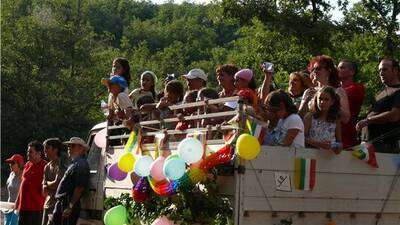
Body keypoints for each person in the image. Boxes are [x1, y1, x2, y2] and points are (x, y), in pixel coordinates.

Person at [356, 58, 400, 153]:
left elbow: (394, 115)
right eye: (379, 70)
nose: (381, 73)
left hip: (386, 146)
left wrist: (368, 120)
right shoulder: (380, 93)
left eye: (385, 69)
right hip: (367, 145)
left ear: (395, 70)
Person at [299, 55, 350, 124]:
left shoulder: (338, 91)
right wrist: (307, 100)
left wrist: (332, 102)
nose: (315, 71)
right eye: (313, 69)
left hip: (329, 132)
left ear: (328, 71)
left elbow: (346, 118)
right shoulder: (308, 92)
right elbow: (300, 116)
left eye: (318, 68)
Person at [52, 137, 90, 225]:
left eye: (72, 146)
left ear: (81, 148)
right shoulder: (75, 163)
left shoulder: (81, 164)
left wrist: (70, 206)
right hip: (64, 203)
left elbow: (79, 187)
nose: (69, 148)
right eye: (68, 146)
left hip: (67, 204)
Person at [15, 141, 47, 225]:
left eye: (30, 152)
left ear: (38, 153)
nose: (28, 154)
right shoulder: (27, 164)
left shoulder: (45, 167)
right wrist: (17, 202)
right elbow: (23, 184)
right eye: (28, 151)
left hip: (36, 209)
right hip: (23, 208)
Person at [304, 86, 342, 154]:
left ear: (332, 102)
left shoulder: (336, 119)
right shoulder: (309, 117)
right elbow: (302, 138)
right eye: (320, 99)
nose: (322, 102)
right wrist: (318, 144)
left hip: (328, 158)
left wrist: (338, 147)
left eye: (326, 99)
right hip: (311, 155)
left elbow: (339, 141)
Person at [338, 59, 365, 148]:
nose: (338, 70)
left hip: (346, 139)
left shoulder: (357, 88)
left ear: (352, 72)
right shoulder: (336, 89)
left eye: (342, 68)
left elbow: (333, 97)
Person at [42, 138, 67, 225]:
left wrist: (47, 183)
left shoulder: (61, 165)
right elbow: (44, 189)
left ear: (55, 150)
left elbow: (57, 184)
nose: (44, 150)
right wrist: (48, 184)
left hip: (57, 206)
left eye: (47, 148)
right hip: (47, 204)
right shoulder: (47, 167)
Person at [4, 154, 24, 225]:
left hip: (18, 208)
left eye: (12, 163)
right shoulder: (11, 174)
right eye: (10, 163)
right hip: (9, 206)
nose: (10, 165)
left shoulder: (24, 176)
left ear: (19, 164)